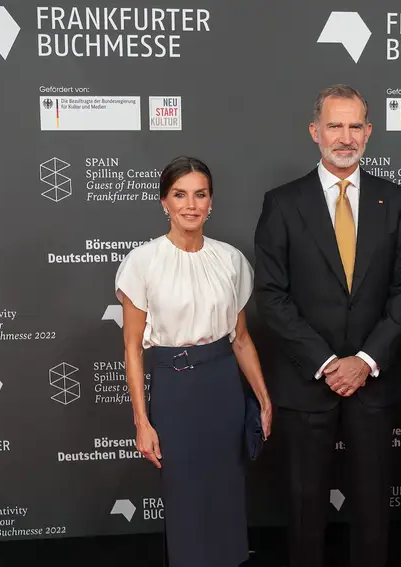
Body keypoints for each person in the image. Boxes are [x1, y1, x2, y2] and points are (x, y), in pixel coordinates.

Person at [252, 84, 401, 567]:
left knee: (372, 508)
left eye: (354, 126)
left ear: (368, 132)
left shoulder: (397, 201)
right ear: (315, 132)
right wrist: (328, 363)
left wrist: (365, 361)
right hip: (309, 381)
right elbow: (272, 295)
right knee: (306, 509)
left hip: (373, 379)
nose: (345, 137)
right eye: (334, 125)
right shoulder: (282, 203)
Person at [115, 156, 272, 567]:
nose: (191, 204)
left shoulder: (231, 260)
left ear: (211, 202)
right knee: (185, 496)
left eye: (200, 194)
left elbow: (240, 339)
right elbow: (132, 348)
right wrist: (141, 420)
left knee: (226, 491)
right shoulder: (142, 262)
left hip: (223, 387)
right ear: (164, 202)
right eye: (180, 195)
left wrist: (262, 396)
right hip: (174, 388)